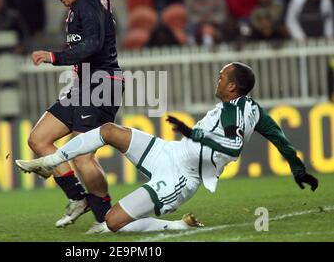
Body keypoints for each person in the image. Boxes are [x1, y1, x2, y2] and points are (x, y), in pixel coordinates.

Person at [16, 62, 319, 233]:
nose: (218, 77)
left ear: (231, 86)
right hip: (170, 151)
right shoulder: (251, 109)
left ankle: (176, 226)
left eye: (222, 75)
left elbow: (234, 145)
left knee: (112, 223)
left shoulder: (235, 112)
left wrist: (196, 135)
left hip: (181, 178)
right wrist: (298, 168)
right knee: (109, 131)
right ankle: (52, 159)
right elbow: (278, 136)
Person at [16, 0, 124, 233]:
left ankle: (105, 218)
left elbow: (93, 44)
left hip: (102, 84)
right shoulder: (83, 3)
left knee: (82, 155)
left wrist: (55, 57)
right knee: (39, 139)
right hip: (83, 85)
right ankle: (79, 197)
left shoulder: (88, 5)